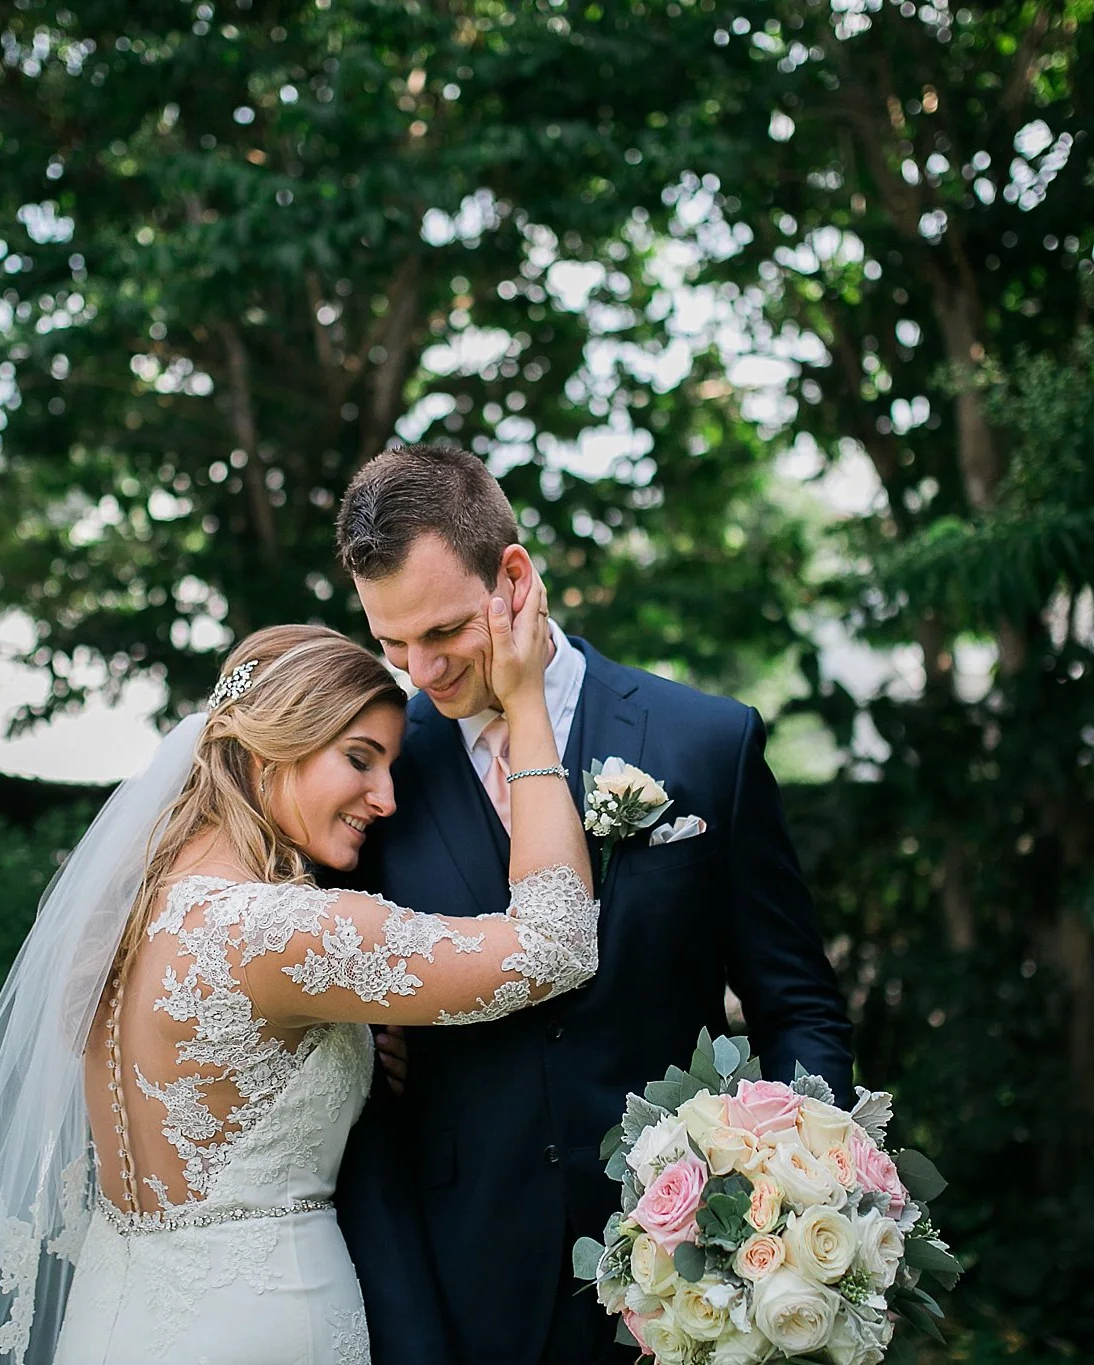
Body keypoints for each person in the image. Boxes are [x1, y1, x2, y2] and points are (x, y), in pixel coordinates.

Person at [0, 607, 597, 1365]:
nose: (387, 797)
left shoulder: (127, 915)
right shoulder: (278, 930)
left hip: (112, 1320)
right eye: (361, 759)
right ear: (270, 749)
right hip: (261, 1322)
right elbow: (555, 943)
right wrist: (527, 707)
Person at [332, 443, 855, 1365]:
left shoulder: (706, 742)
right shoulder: (375, 778)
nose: (420, 669)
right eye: (391, 641)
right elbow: (356, 1073)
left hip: (687, 1277)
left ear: (514, 576)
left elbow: (797, 1003)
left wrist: (801, 1205)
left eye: (445, 631)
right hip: (465, 1281)